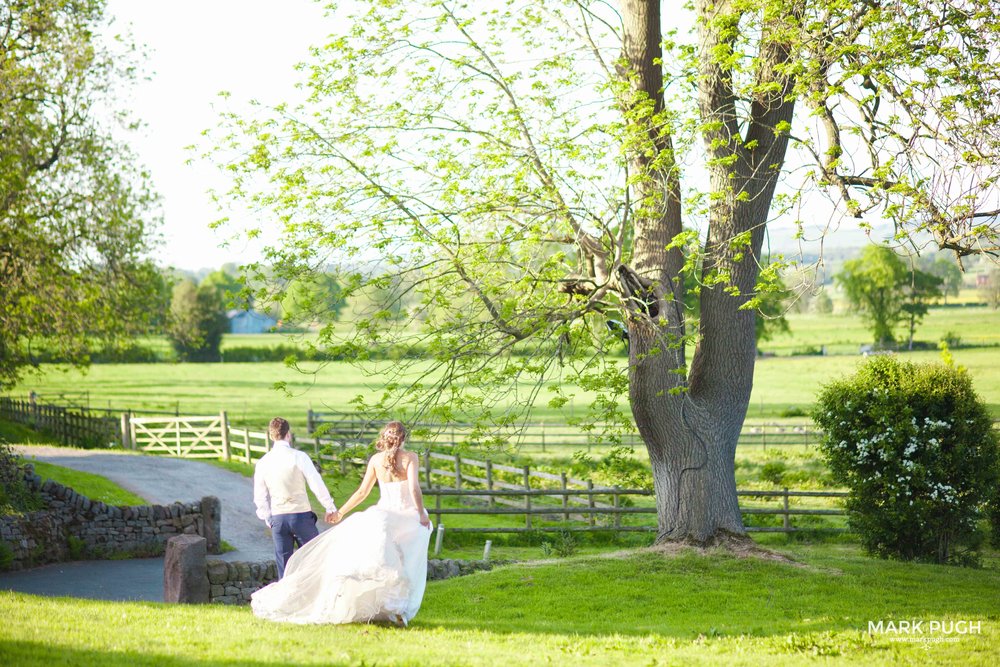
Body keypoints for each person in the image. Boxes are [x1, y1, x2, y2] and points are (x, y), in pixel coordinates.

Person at [251, 420, 433, 625]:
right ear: (403, 438)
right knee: (407, 560)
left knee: (387, 560)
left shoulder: (375, 460)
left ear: (384, 437)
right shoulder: (410, 458)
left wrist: (340, 513)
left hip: (382, 515)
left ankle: (390, 606)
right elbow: (414, 489)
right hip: (405, 516)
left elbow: (362, 492)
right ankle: (398, 606)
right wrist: (421, 515)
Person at [253, 417, 338, 578]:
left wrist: (267, 517)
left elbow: (259, 496)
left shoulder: (263, 462)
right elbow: (316, 483)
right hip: (300, 516)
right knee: (315, 561)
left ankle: (286, 602)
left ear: (271, 436)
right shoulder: (299, 456)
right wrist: (330, 507)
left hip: (278, 518)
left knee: (284, 571)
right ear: (288, 434)